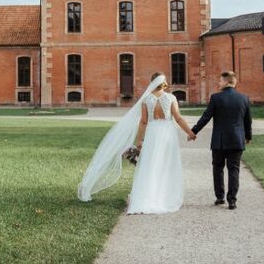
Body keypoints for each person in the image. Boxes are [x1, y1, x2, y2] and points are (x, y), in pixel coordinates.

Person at [76, 73, 196, 215]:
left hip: (152, 132)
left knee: (149, 164)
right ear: (164, 83)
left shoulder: (146, 100)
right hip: (167, 133)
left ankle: (146, 197)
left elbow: (143, 122)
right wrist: (190, 132)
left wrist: (139, 140)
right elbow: (178, 118)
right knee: (166, 163)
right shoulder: (171, 98)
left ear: (152, 82)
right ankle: (165, 197)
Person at [191, 71, 252, 210]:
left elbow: (206, 117)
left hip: (219, 141)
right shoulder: (244, 98)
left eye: (220, 81)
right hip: (237, 140)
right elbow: (248, 121)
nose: (218, 83)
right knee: (234, 169)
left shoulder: (216, 98)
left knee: (218, 168)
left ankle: (220, 197)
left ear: (226, 82)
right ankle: (232, 200)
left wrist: (194, 131)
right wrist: (248, 137)